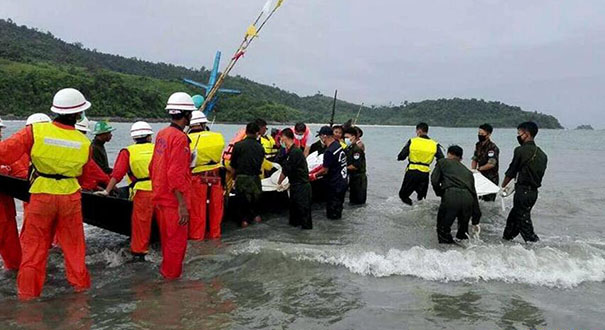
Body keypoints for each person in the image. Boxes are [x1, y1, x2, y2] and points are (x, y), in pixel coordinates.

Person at [0, 88, 104, 300]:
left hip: (41, 196)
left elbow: (5, 152)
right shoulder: (85, 143)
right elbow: (86, 178)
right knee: (75, 250)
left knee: (34, 251)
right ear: (78, 114)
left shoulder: (35, 131)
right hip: (70, 198)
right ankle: (80, 296)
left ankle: (28, 300)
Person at [149, 92, 195, 279]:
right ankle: (171, 286)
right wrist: (182, 205)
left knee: (167, 244)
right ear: (187, 115)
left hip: (160, 198)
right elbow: (175, 174)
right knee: (176, 247)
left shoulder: (162, 134)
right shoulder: (180, 138)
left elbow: (153, 166)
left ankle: (166, 275)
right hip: (174, 202)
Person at [99, 121, 155, 261]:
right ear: (149, 136)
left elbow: (117, 174)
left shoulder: (128, 151)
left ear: (134, 138)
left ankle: (139, 254)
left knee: (141, 224)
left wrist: (106, 191)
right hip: (162, 190)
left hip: (142, 192)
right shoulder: (159, 148)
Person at [501, 122, 548, 243]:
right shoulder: (542, 155)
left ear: (526, 134)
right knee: (512, 221)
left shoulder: (520, 150)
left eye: (519, 133)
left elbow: (512, 171)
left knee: (525, 225)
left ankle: (540, 251)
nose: (518, 136)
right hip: (533, 193)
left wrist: (502, 186)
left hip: (522, 192)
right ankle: (505, 243)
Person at [431, 145, 481, 244]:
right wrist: (476, 217)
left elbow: (434, 180)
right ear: (461, 158)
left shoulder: (442, 162)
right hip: (468, 199)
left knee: (443, 230)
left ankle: (447, 253)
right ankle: (465, 254)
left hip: (451, 196)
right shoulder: (468, 172)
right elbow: (474, 194)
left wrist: (440, 193)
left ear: (448, 154)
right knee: (463, 234)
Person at [188, 111, 225, 240]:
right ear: (204, 124)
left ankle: (196, 241)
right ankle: (215, 240)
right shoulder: (218, 137)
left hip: (196, 180)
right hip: (216, 179)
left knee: (197, 215)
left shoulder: (186, 139)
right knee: (216, 215)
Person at [397, 122, 444, 205]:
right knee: (421, 198)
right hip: (425, 174)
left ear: (419, 131)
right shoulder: (434, 144)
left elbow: (401, 156)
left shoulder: (412, 141)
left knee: (403, 195)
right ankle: (419, 212)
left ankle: (410, 207)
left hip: (412, 172)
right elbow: (441, 159)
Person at [230, 122, 265, 227]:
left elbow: (233, 165)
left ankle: (244, 222)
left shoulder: (238, 146)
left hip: (241, 179)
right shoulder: (260, 148)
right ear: (257, 133)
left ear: (246, 132)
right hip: (255, 179)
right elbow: (260, 163)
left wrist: (233, 179)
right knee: (255, 208)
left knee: (242, 207)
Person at [309, 126, 348, 219]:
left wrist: (314, 175)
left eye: (321, 136)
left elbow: (325, 170)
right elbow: (330, 164)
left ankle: (334, 230)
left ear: (324, 136)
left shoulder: (329, 151)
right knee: (338, 208)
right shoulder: (337, 145)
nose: (321, 139)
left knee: (332, 211)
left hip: (334, 185)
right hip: (343, 181)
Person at [277, 128, 312, 229]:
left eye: (281, 138)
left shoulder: (295, 152)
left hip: (302, 187)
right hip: (295, 186)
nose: (281, 140)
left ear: (285, 137)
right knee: (294, 216)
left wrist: (278, 183)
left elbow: (286, 170)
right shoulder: (291, 151)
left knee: (304, 215)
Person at [0, 118, 22, 273]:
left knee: (14, 258)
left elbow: (19, 172)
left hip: (6, 210)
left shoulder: (5, 150)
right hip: (3, 212)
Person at [471, 123, 500, 201]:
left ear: (488, 135)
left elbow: (491, 164)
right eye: (479, 133)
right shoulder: (478, 145)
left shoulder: (493, 148)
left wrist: (479, 169)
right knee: (480, 199)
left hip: (491, 179)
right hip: (480, 177)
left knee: (489, 201)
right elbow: (474, 158)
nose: (480, 135)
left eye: (482, 134)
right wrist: (473, 171)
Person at [344, 127, 367, 204]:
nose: (345, 139)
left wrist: (342, 168)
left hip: (359, 179)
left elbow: (355, 166)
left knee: (358, 201)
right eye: (344, 138)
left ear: (353, 137)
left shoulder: (357, 149)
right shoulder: (350, 148)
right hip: (352, 177)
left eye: (347, 137)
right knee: (352, 200)